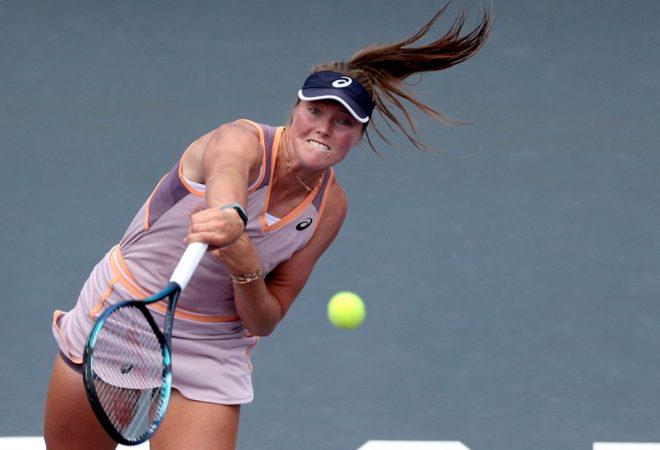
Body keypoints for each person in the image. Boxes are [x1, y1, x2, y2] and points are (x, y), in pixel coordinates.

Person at [43, 3, 493, 449]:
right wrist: (229, 218)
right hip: (126, 310)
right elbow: (227, 177)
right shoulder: (239, 139)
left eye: (342, 122)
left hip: (213, 343)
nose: (324, 128)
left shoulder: (330, 208)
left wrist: (246, 269)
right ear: (296, 109)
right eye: (315, 112)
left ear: (359, 135)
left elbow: (265, 317)